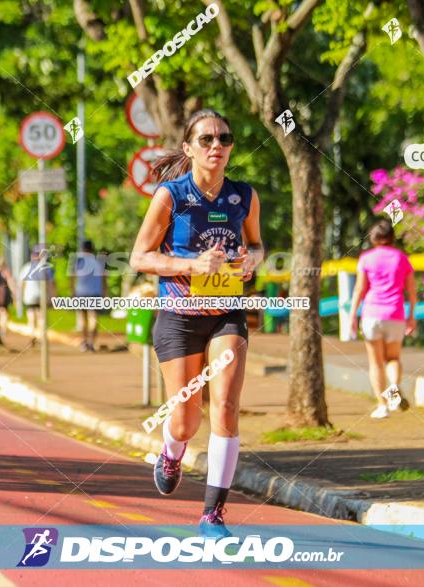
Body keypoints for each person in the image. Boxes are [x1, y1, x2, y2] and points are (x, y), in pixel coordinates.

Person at [131, 109, 263, 538]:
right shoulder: (171, 195)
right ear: (188, 149)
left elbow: (258, 244)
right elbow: (140, 257)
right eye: (206, 140)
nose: (216, 147)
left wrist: (251, 262)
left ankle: (213, 515)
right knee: (187, 420)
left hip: (226, 313)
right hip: (179, 318)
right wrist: (191, 263)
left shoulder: (244, 195)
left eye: (224, 138)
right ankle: (171, 451)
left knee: (224, 405)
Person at [349, 219, 416, 419]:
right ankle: (394, 388)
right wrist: (412, 316)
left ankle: (383, 406)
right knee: (393, 359)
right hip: (395, 314)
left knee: (376, 363)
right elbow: (411, 291)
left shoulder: (366, 258)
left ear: (373, 238)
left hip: (371, 314)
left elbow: (360, 289)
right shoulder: (402, 258)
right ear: (392, 238)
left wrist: (353, 315)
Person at [71, 240, 106, 352]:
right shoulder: (98, 262)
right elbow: (104, 280)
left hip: (81, 293)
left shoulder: (78, 261)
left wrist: (72, 292)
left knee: (82, 318)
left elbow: (72, 278)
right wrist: (105, 294)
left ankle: (84, 342)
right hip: (95, 293)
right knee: (93, 318)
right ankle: (91, 343)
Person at [17, 244, 56, 341]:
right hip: (41, 296)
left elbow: (21, 284)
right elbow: (51, 285)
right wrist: (53, 298)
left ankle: (32, 334)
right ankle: (41, 336)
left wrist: (19, 297)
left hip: (29, 296)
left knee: (31, 315)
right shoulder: (46, 268)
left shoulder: (26, 267)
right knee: (41, 317)